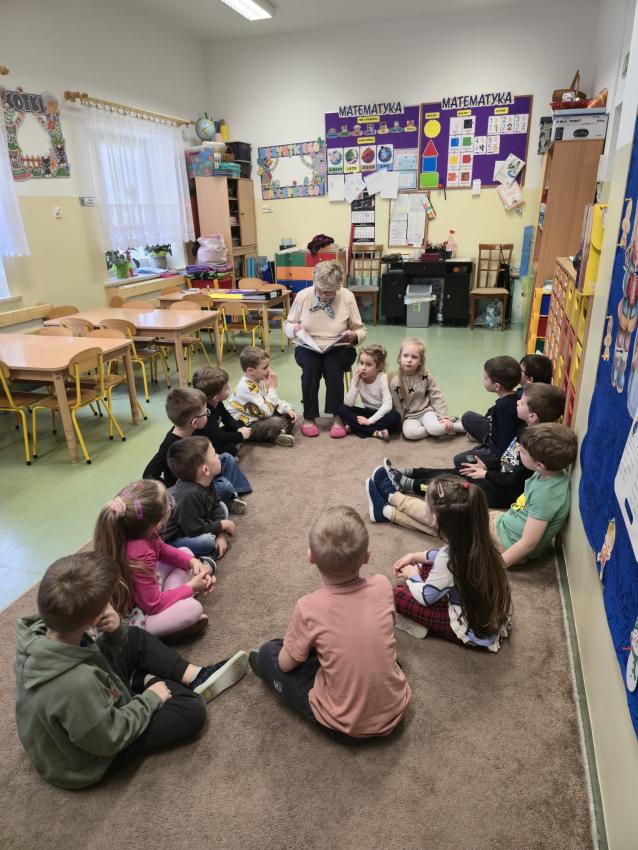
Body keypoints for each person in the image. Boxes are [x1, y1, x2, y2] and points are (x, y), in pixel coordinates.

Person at [14, 551, 248, 789]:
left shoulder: (44, 631)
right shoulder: (76, 684)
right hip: (90, 757)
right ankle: (143, 681)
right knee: (191, 710)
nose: (110, 605)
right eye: (107, 602)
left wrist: (116, 631)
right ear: (93, 620)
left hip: (86, 705)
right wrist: (149, 699)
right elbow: (109, 738)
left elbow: (89, 657)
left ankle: (195, 676)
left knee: (131, 636)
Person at [249, 506, 411, 740]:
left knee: (269, 653)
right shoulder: (383, 585)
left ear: (310, 557)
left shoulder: (308, 607)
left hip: (343, 726)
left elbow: (285, 665)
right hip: (395, 709)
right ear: (367, 557)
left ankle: (271, 664)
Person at [383, 383, 566, 511]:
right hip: (499, 476)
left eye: (522, 402)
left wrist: (486, 474)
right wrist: (486, 467)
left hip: (504, 491)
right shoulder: (523, 429)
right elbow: (509, 459)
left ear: (532, 416)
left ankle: (409, 484)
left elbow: (514, 480)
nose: (517, 402)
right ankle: (409, 472)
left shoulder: (535, 447)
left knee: (456, 489)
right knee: (459, 470)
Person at [392, 475, 512, 650]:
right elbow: (439, 556)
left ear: (436, 519)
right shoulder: (477, 540)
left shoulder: (449, 558)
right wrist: (414, 556)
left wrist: (413, 576)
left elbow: (426, 597)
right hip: (482, 613)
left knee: (396, 595)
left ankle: (421, 625)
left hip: (471, 630)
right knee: (428, 566)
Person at [93, 480, 215, 641]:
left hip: (142, 595)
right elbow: (153, 605)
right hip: (133, 617)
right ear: (157, 524)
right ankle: (160, 632)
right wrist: (191, 587)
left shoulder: (139, 530)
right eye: (168, 502)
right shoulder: (138, 553)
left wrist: (193, 562)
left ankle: (175, 603)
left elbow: (162, 549)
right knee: (193, 609)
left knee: (185, 553)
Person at [284, 260, 367, 438]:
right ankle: (309, 417)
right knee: (311, 366)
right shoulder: (303, 296)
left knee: (332, 366)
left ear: (338, 286)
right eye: (320, 290)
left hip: (339, 346)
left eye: (329, 292)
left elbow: (361, 329)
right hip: (308, 345)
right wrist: (294, 329)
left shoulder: (347, 296)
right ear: (315, 283)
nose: (323, 295)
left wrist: (353, 336)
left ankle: (337, 416)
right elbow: (288, 325)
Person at [143, 387, 251, 512]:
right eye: (206, 413)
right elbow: (149, 474)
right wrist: (168, 491)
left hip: (202, 473)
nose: (208, 415)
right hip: (190, 488)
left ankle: (236, 494)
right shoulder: (170, 444)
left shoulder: (193, 429)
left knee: (226, 458)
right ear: (194, 422)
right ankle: (225, 498)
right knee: (224, 486)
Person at [490, 422, 578, 567]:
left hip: (507, 542)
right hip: (505, 525)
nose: (519, 451)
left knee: (462, 520)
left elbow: (528, 543)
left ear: (539, 465)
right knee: (473, 512)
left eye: (524, 452)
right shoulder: (551, 473)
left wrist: (495, 568)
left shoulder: (546, 495)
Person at [162, 436, 237, 560]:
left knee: (222, 507)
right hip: (172, 539)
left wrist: (220, 534)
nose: (218, 456)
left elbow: (215, 504)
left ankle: (211, 543)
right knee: (207, 541)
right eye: (215, 455)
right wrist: (222, 524)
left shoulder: (205, 480)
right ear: (206, 470)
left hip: (193, 523)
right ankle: (204, 558)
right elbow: (194, 530)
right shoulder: (189, 495)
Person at [388, 337, 465, 440]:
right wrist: (399, 424)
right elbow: (397, 405)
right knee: (410, 434)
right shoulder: (395, 381)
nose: (409, 360)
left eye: (414, 357)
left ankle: (460, 427)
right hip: (409, 416)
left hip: (426, 411)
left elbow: (437, 396)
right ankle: (436, 429)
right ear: (399, 358)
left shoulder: (426, 375)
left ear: (420, 361)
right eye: (405, 356)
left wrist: (444, 417)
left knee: (435, 428)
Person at [454, 355, 522, 467]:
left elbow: (507, 448)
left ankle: (484, 447)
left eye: (485, 378)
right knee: (468, 417)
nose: (482, 379)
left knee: (459, 460)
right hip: (494, 435)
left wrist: (492, 461)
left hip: (499, 450)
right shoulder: (515, 397)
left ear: (497, 386)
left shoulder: (503, 409)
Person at [228, 345, 297, 446]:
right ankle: (277, 434)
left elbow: (272, 401)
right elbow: (267, 412)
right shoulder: (247, 387)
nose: (268, 371)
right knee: (276, 422)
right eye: (265, 368)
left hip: (260, 416)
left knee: (289, 413)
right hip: (246, 425)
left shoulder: (259, 380)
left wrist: (287, 409)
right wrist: (272, 388)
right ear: (250, 371)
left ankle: (278, 433)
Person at [335, 344, 401, 441]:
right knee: (341, 409)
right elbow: (349, 403)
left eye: (368, 364)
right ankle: (376, 432)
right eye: (361, 363)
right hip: (367, 412)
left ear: (378, 367)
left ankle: (356, 428)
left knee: (395, 417)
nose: (363, 367)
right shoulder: (357, 378)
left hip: (381, 413)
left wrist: (369, 421)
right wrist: (356, 383)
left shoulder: (382, 377)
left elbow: (387, 405)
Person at [192, 366, 252, 457]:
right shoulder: (205, 414)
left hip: (215, 434)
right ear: (216, 398)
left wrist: (238, 429)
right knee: (230, 448)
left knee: (240, 423)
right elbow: (218, 437)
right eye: (226, 388)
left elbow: (227, 417)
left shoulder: (217, 403)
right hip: (206, 443)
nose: (230, 387)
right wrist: (240, 436)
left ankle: (237, 440)